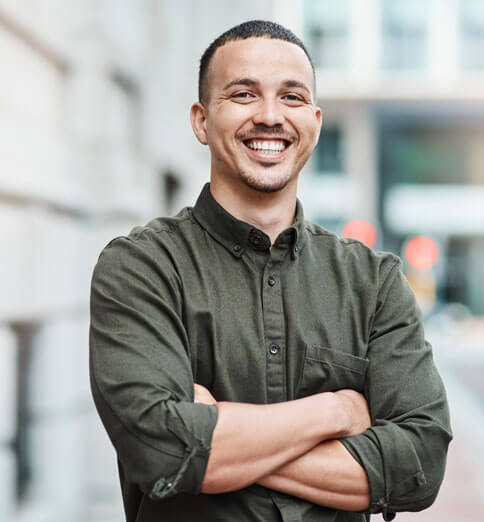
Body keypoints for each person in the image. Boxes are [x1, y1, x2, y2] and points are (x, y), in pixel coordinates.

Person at [89, 20, 452, 522]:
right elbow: (162, 452)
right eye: (243, 94)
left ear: (316, 122)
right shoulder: (143, 268)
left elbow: (419, 463)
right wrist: (336, 413)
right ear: (200, 120)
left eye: (292, 97)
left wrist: (217, 434)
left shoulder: (374, 282)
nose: (269, 116)